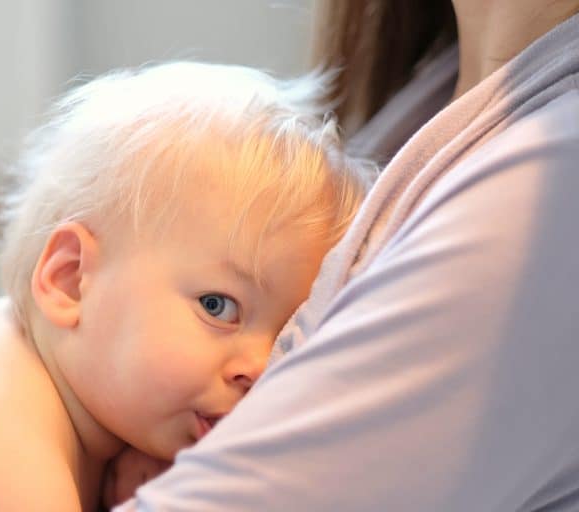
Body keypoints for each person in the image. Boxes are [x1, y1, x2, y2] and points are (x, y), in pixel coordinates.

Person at [0, 62, 374, 511]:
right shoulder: (2, 452)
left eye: (284, 333)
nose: (258, 366)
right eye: (217, 306)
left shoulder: (68, 381)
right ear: (69, 281)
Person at [112, 1, 579, 510]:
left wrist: (23, 395)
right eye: (217, 306)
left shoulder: (548, 186)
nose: (256, 368)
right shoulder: (438, 80)